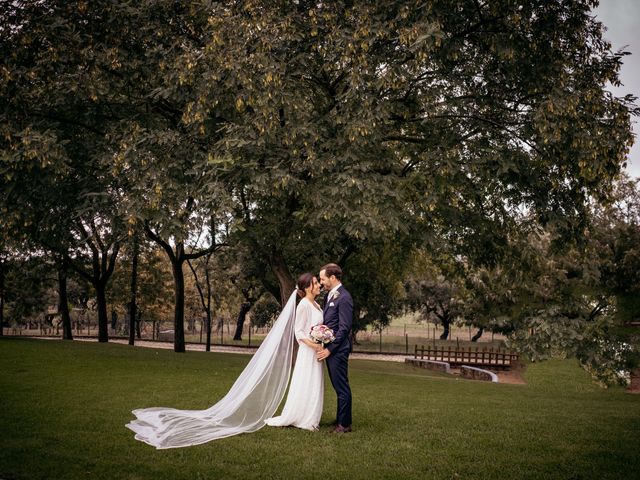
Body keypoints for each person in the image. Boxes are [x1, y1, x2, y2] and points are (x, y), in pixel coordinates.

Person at [265, 273, 324, 430]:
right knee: (306, 381)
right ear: (307, 288)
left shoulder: (317, 305)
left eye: (318, 282)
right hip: (308, 351)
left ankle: (311, 416)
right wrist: (315, 345)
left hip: (316, 349)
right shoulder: (303, 305)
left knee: (314, 382)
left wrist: (323, 341)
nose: (319, 285)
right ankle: (303, 418)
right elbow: (298, 332)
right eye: (316, 283)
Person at [317, 263, 353, 433]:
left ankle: (344, 425)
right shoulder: (329, 296)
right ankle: (340, 419)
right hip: (331, 349)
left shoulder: (344, 297)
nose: (320, 282)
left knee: (341, 387)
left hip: (338, 350)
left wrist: (330, 349)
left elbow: (344, 328)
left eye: (323, 278)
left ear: (332, 278)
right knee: (337, 386)